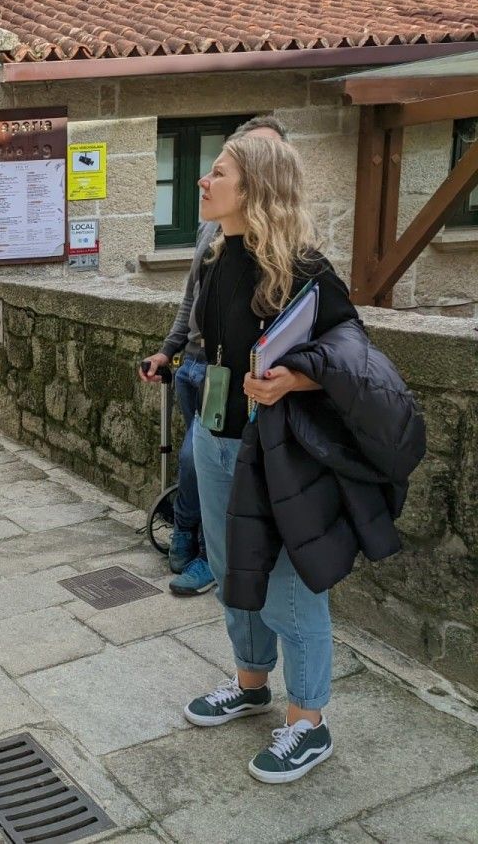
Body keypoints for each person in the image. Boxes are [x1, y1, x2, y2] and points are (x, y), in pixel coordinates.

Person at [179, 134, 367, 783]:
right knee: (234, 570)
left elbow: (352, 355)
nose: (204, 180)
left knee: (289, 584)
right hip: (216, 438)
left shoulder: (305, 267)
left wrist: (293, 379)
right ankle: (251, 683)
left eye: (220, 171)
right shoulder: (215, 255)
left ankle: (308, 722)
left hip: (278, 453)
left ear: (254, 186)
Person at [139, 116, 288, 597]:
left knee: (205, 463)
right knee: (197, 462)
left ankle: (204, 552)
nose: (208, 180)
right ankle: (189, 537)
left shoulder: (287, 249)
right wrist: (168, 351)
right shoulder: (216, 231)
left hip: (238, 379)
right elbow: (191, 299)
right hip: (196, 366)